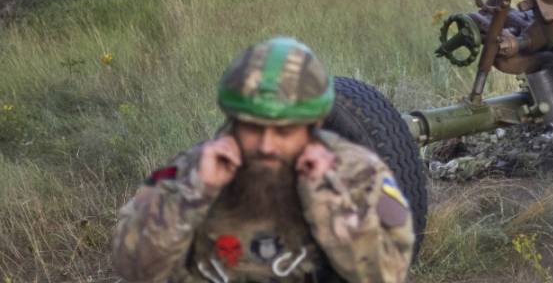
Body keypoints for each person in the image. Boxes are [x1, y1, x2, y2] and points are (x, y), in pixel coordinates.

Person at [111, 37, 415, 282]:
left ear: (314, 126)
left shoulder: (359, 174)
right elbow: (133, 269)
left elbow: (388, 275)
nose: (267, 145)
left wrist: (330, 205)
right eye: (253, 128)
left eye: (285, 131)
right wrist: (193, 194)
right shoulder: (190, 172)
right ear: (233, 122)